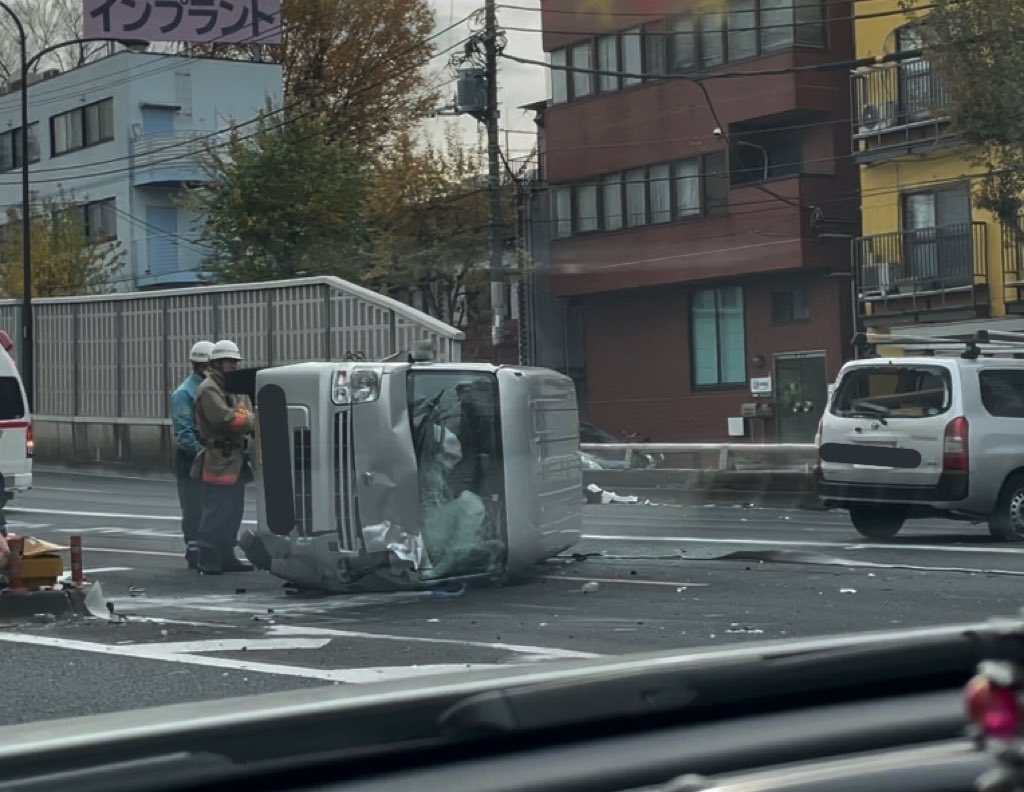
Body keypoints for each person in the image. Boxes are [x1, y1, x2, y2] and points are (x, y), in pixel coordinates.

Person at [193, 339, 255, 574]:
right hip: (219, 460)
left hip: (234, 460)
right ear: (217, 363)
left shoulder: (226, 388)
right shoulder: (209, 389)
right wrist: (254, 422)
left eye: (235, 361)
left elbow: (240, 413)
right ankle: (207, 556)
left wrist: (247, 420)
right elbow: (227, 419)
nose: (234, 366)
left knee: (233, 510)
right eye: (230, 361)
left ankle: (226, 554)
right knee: (217, 509)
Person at [172, 340, 214, 569]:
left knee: (214, 504)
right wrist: (202, 452)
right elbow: (184, 433)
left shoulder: (215, 388)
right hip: (192, 457)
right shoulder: (184, 393)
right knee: (193, 504)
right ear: (202, 366)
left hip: (213, 454)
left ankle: (210, 546)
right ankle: (194, 547)